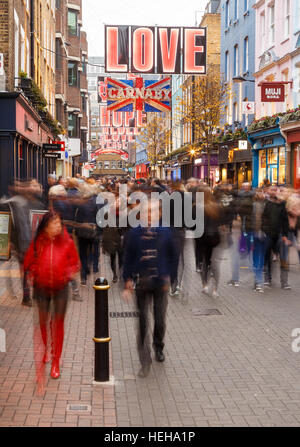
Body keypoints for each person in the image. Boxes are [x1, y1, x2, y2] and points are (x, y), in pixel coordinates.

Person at [122, 199, 177, 378]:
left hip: (160, 283)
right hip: (141, 283)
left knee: (159, 319)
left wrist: (170, 277)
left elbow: (173, 257)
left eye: (153, 211)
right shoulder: (134, 234)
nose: (150, 215)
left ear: (158, 214)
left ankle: (158, 346)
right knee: (142, 322)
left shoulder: (166, 233)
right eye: (146, 212)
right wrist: (127, 279)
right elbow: (128, 257)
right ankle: (144, 361)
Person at [24, 211, 80, 383]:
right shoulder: (37, 242)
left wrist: (68, 273)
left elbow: (75, 263)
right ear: (46, 225)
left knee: (57, 324)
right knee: (43, 321)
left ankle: (56, 361)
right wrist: (33, 272)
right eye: (54, 223)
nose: (58, 226)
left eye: (59, 223)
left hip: (61, 288)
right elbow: (28, 262)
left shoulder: (67, 242)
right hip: (41, 288)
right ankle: (46, 350)